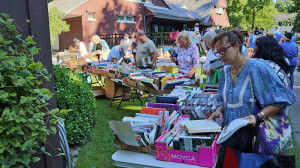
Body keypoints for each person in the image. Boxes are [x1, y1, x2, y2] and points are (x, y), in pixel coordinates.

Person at [208, 31, 295, 158]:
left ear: (236, 46)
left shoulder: (256, 67)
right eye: (217, 52)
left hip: (255, 138)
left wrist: (258, 116)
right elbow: (222, 98)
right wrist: (219, 110)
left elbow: (282, 99)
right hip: (231, 138)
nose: (220, 55)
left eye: (223, 50)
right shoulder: (225, 71)